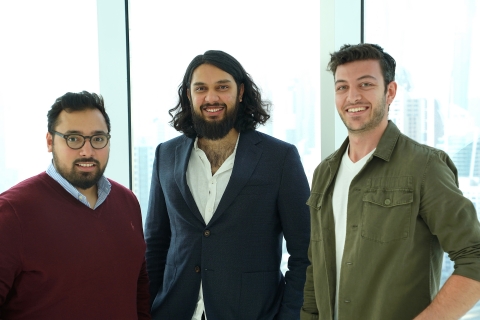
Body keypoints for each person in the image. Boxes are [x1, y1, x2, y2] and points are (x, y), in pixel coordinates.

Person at [301, 43, 480, 320]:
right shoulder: (324, 172)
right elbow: (317, 266)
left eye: (365, 84)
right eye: (342, 87)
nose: (352, 96)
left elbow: (475, 258)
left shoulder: (425, 166)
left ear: (390, 92)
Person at [144, 50, 311, 319]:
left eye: (222, 87)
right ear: (189, 95)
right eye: (201, 88)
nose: (211, 97)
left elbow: (306, 252)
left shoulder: (279, 158)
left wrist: (288, 315)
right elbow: (155, 243)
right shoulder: (166, 154)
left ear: (240, 91)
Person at [0, 91, 150, 319]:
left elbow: (139, 291)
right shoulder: (12, 212)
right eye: (73, 138)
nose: (87, 151)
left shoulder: (127, 202)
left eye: (98, 139)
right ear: (50, 141)